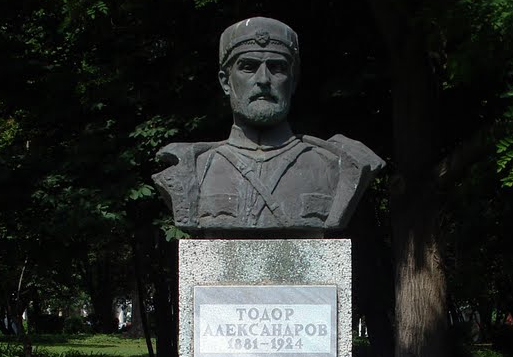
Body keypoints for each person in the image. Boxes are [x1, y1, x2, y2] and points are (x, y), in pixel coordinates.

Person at [152, 17, 384, 234]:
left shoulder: (335, 164)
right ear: (225, 81)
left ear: (293, 82)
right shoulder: (195, 168)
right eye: (248, 67)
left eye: (277, 68)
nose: (263, 79)